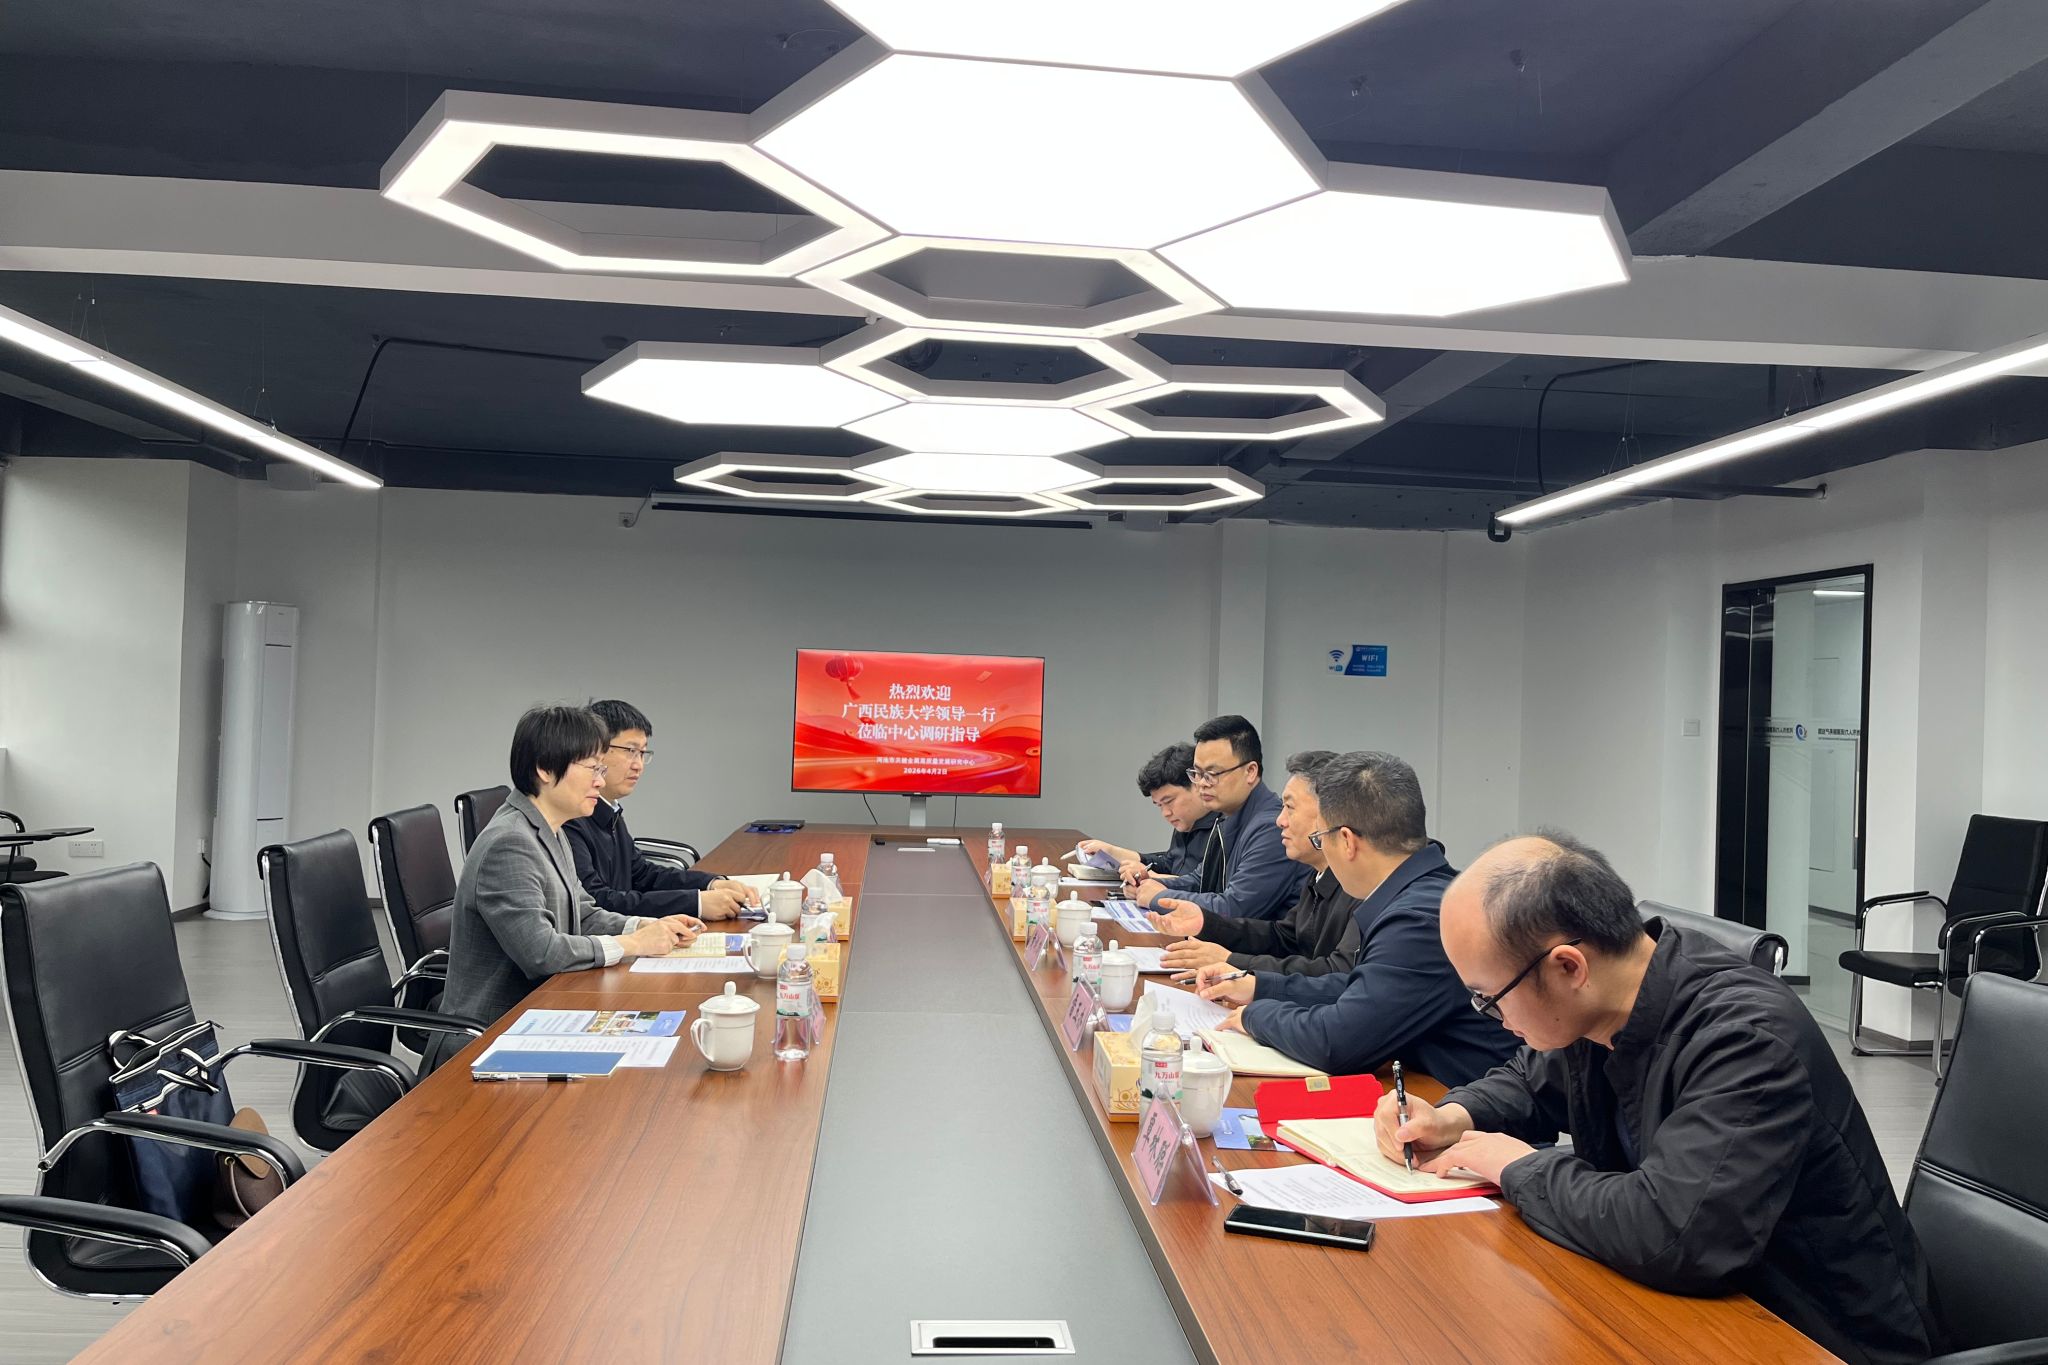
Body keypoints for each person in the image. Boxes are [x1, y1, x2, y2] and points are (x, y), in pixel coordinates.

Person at [1377, 833, 1943, 1365]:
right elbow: (1532, 1081)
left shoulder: (1746, 1039)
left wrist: (1517, 1166)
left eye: (1488, 998)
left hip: (1818, 1335)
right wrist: (1452, 1116)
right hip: (1699, 1312)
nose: (1489, 1016)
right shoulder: (1610, 998)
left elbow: (1673, 1234)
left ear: (1568, 966)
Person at [1194, 750, 1515, 1085]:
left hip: (1465, 1101)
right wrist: (1261, 986)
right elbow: (1362, 988)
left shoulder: (1418, 920)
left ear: (1347, 841)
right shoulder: (1421, 893)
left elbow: (1336, 1043)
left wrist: (1256, 1015)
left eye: (1320, 838)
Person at [425, 706, 702, 1070]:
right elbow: (541, 952)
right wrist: (633, 944)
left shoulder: (549, 829)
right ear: (544, 768)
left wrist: (645, 926)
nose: (600, 782)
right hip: (486, 1043)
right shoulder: (510, 843)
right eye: (592, 769)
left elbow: (582, 913)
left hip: (539, 1017)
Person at [1148, 749, 1361, 978]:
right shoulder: (1319, 874)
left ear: (1328, 815)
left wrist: (1231, 960)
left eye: (1290, 808)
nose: (1280, 821)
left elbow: (1335, 974)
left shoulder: (1359, 887)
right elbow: (1285, 936)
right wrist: (1206, 923)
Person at [566, 698, 758, 922]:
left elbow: (642, 874)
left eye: (642, 753)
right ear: (595, 751)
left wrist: (710, 883)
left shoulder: (610, 810)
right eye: (630, 750)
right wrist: (696, 903)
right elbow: (596, 902)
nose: (638, 765)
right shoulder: (571, 819)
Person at [1134, 715, 1304, 921]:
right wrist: (1149, 884)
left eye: (1212, 773)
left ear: (1250, 771)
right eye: (1197, 773)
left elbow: (1234, 908)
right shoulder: (1226, 817)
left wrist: (1159, 897)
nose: (1202, 783)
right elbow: (1200, 880)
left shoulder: (1272, 828)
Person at [1077, 743, 1216, 883]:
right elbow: (1170, 864)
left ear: (1197, 783)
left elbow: (1204, 885)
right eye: (1159, 805)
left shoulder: (1222, 828)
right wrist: (1113, 852)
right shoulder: (1187, 822)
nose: (1165, 813)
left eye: (1169, 801)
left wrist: (1148, 876)